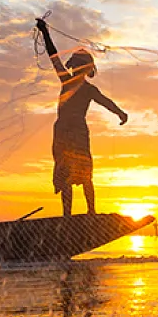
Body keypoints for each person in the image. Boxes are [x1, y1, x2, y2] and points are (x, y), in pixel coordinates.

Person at [36, 18, 127, 215]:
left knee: (84, 173)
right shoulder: (68, 82)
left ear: (86, 69)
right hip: (64, 132)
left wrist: (120, 112)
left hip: (76, 132)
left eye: (80, 66)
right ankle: (68, 215)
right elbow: (54, 56)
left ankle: (90, 212)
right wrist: (44, 32)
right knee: (66, 173)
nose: (76, 69)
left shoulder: (87, 89)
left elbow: (106, 102)